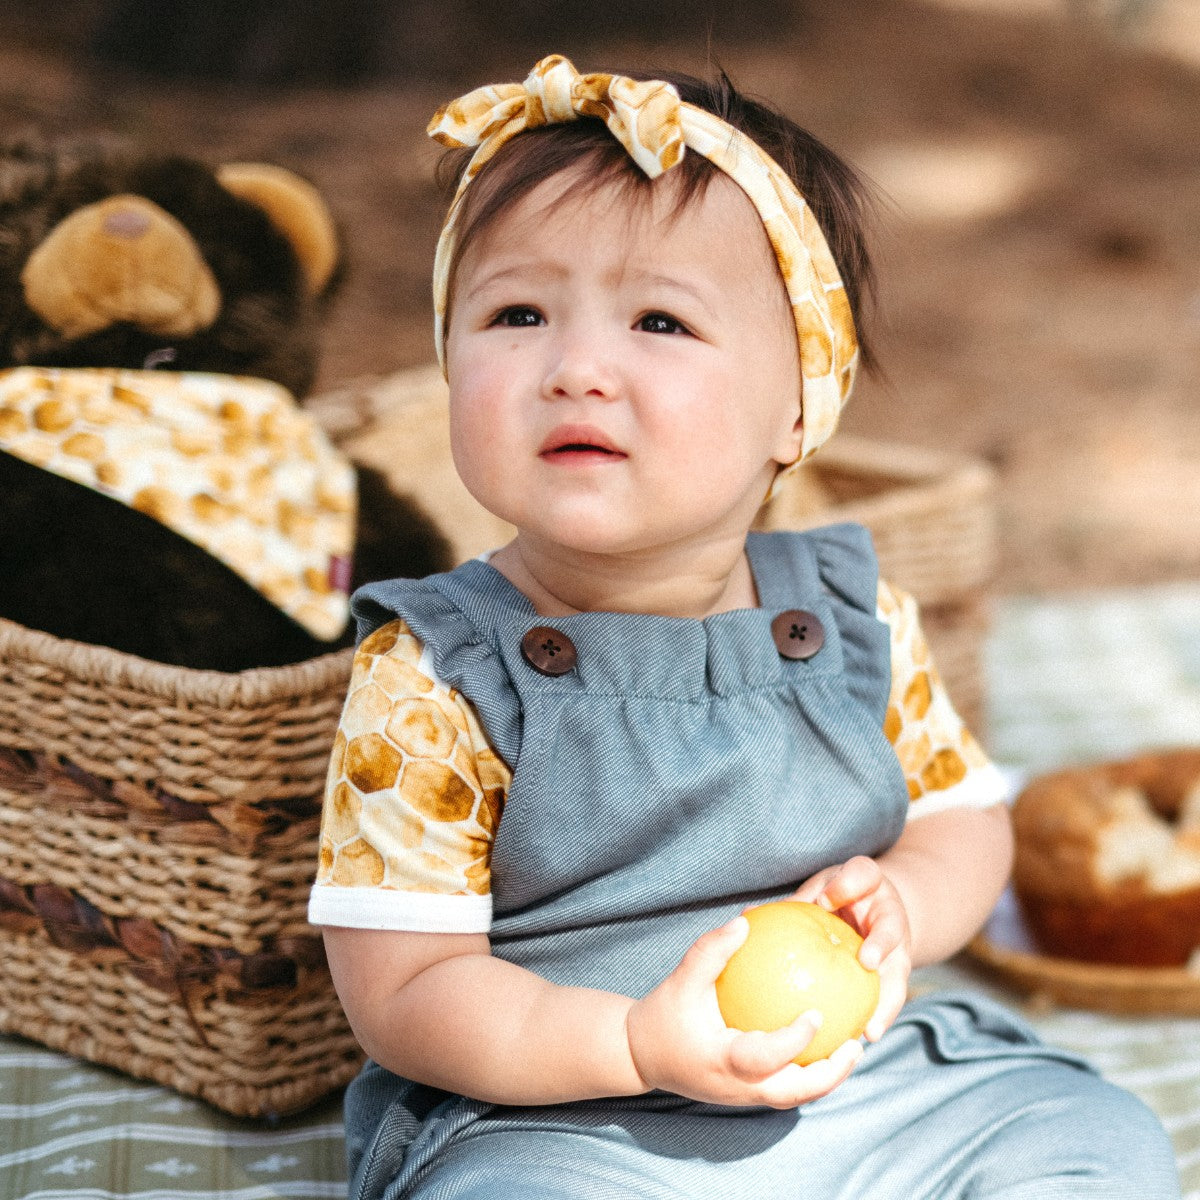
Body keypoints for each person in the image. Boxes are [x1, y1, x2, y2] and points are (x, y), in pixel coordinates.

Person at [309, 55, 1180, 1200]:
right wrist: (631, 1046)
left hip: (857, 1089)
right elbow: (407, 994)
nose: (576, 368)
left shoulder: (848, 614)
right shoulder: (435, 673)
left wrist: (904, 904)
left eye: (659, 320)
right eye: (516, 312)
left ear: (798, 408)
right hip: (567, 1123)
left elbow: (965, 819)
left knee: (1097, 1137)